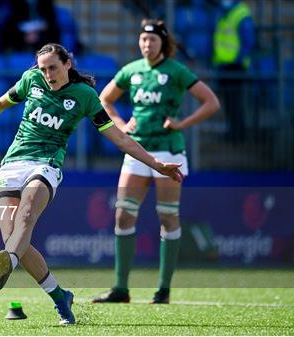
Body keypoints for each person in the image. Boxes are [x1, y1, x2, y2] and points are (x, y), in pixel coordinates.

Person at [0, 43, 184, 324]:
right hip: (12, 164)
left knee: (27, 215)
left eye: (53, 67)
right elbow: (1, 103)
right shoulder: (30, 79)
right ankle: (58, 295)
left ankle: (9, 261)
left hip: (46, 165)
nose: (47, 74)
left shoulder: (85, 96)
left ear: (67, 64)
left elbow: (120, 138)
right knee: (14, 239)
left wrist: (156, 164)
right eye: (43, 69)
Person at [91, 19, 220, 305]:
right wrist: (121, 125)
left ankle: (163, 289)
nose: (147, 45)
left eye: (152, 40)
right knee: (123, 215)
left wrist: (183, 123)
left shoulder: (176, 71)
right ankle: (120, 289)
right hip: (137, 150)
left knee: (167, 216)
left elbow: (211, 102)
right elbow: (104, 100)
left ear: (164, 43)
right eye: (143, 40)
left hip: (168, 151)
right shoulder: (132, 70)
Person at [212, 0, 254, 142]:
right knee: (230, 104)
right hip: (224, 65)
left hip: (235, 67)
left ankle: (238, 134)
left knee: (236, 103)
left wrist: (237, 60)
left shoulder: (241, 13)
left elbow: (248, 42)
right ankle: (233, 132)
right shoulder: (224, 12)